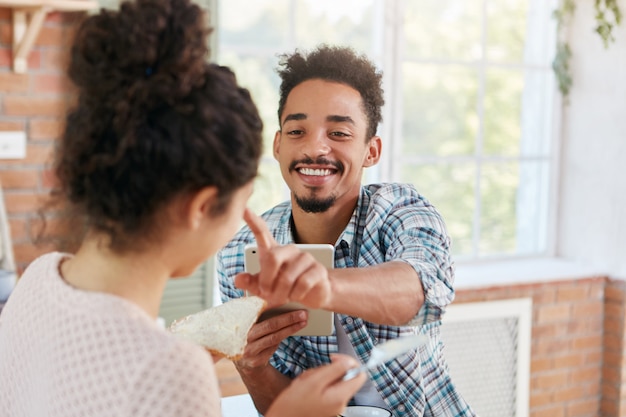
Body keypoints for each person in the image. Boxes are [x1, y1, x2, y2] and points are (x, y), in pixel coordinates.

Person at [0, 2, 366, 416]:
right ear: (202, 207)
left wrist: (231, 325)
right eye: (242, 203)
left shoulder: (38, 281)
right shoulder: (172, 372)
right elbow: (144, 373)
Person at [217, 45, 477, 417]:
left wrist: (324, 286)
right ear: (277, 145)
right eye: (296, 130)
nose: (315, 147)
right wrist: (251, 366)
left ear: (371, 150)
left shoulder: (401, 211)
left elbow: (420, 292)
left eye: (338, 132)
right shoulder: (237, 256)